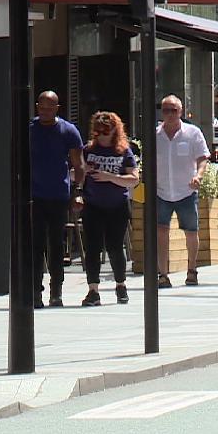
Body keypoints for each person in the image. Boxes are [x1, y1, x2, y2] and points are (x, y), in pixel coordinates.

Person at [76, 112, 139, 306]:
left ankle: (120, 285)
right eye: (98, 130)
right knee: (93, 248)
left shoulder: (123, 151)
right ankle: (93, 290)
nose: (102, 134)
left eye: (106, 130)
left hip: (117, 205)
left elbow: (134, 179)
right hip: (93, 205)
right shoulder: (87, 150)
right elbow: (75, 176)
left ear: (115, 131)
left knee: (114, 246)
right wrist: (80, 173)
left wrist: (109, 177)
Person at [31, 90, 85, 308]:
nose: (45, 112)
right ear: (37, 107)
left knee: (56, 245)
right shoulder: (30, 130)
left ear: (57, 109)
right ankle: (35, 291)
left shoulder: (68, 131)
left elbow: (79, 163)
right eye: (42, 107)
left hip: (58, 196)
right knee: (34, 246)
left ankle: (56, 291)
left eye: (50, 108)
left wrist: (78, 191)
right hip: (34, 196)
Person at [156, 95, 210, 288]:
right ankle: (162, 273)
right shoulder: (155, 135)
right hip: (161, 191)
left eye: (173, 110)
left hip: (185, 191)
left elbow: (203, 158)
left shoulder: (193, 133)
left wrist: (199, 175)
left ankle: (192, 269)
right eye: (165, 110)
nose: (169, 114)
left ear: (181, 111)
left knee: (191, 231)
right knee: (160, 231)